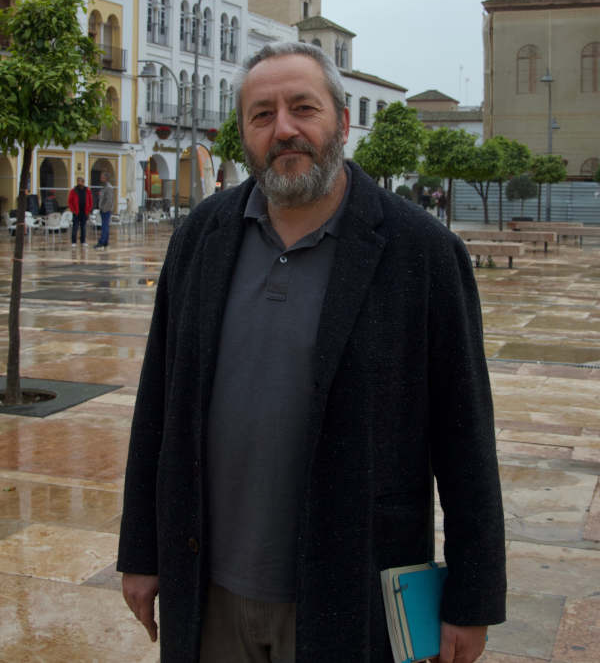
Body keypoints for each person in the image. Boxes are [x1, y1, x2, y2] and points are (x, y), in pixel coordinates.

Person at [118, 42, 506, 663]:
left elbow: (466, 441)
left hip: (352, 591)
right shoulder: (200, 238)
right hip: (211, 590)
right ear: (243, 133)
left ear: (342, 123)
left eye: (304, 108)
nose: (285, 129)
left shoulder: (422, 253)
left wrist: (472, 598)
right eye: (262, 114)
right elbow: (158, 406)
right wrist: (140, 552)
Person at [68, 176, 93, 246]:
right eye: (78, 181)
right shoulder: (73, 191)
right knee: (75, 227)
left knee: (83, 227)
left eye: (80, 181)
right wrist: (73, 210)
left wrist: (88, 210)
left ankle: (83, 241)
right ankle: (73, 242)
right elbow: (70, 201)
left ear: (83, 182)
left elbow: (90, 201)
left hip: (84, 212)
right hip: (76, 212)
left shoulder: (87, 191)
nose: (79, 183)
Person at [94, 171, 113, 249]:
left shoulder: (108, 187)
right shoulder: (104, 186)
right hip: (104, 209)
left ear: (106, 178)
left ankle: (102, 242)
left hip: (106, 210)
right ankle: (105, 242)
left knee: (105, 226)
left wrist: (104, 209)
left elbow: (109, 200)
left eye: (102, 177)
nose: (100, 178)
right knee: (105, 226)